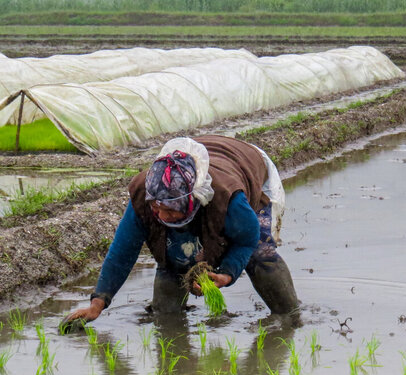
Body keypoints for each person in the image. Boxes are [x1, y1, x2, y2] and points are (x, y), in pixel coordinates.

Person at [61, 135, 299, 329]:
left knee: (260, 252)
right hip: (199, 162)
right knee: (174, 257)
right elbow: (122, 252)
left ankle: (291, 315)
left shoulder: (230, 200)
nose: (162, 216)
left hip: (247, 163)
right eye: (157, 207)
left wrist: (227, 273)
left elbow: (246, 239)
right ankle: (170, 324)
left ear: (191, 199)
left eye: (171, 209)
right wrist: (98, 303)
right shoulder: (145, 197)